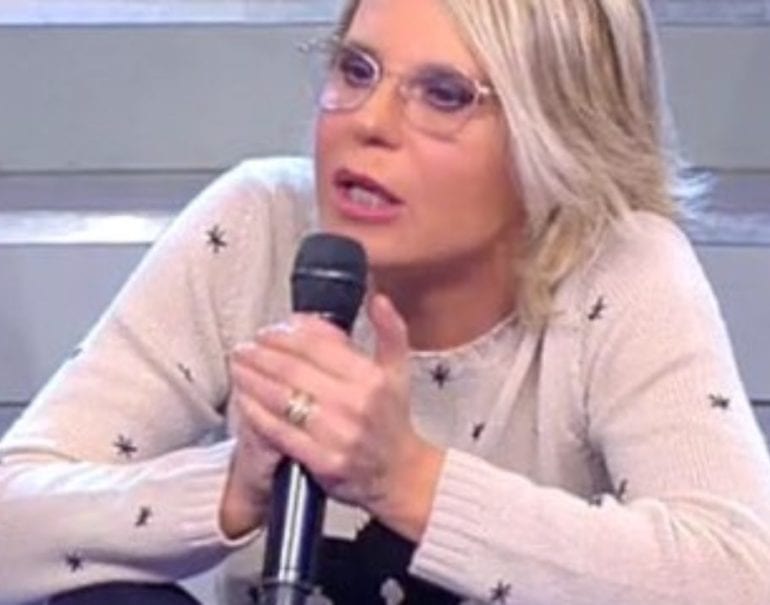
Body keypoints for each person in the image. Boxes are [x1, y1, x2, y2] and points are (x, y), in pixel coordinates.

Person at [2, 0, 770, 603]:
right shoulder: (257, 224)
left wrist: (404, 479)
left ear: (557, 136)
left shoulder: (619, 266)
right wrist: (234, 486)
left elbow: (742, 573)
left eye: (444, 95)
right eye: (356, 69)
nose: (368, 122)